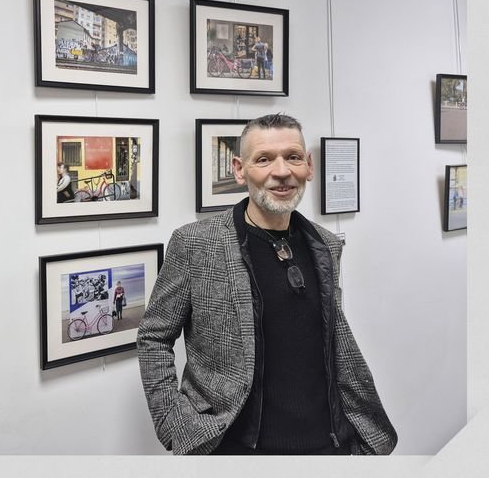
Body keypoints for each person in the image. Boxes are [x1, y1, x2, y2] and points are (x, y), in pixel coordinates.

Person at [137, 113, 397, 456]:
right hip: (235, 449)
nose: (281, 171)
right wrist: (174, 422)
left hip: (327, 445)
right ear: (239, 169)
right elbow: (154, 336)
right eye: (264, 159)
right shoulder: (196, 244)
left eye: (292, 157)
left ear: (309, 165)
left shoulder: (325, 244)